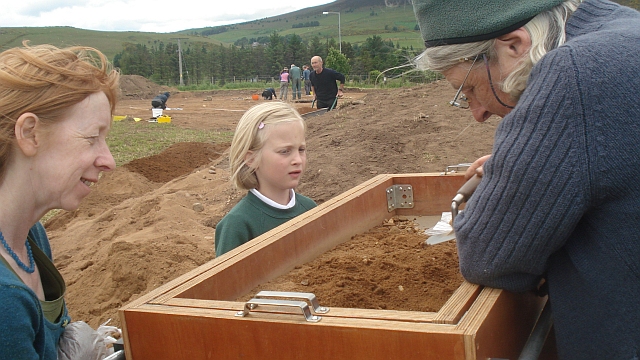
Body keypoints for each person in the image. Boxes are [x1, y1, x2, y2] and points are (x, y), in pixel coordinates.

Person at [412, 0, 640, 359]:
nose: (478, 113)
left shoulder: (572, 72)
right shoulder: (623, 26)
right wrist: (533, 163)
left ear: (515, 45)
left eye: (468, 88)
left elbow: (489, 255)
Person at [0, 42, 119, 359]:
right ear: (30, 134)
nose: (109, 160)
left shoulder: (30, 236)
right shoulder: (4, 300)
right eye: (92, 138)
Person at [215, 102, 317, 256]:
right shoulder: (238, 224)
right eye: (284, 151)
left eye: (301, 149)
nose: (297, 160)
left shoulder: (310, 209)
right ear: (251, 158)